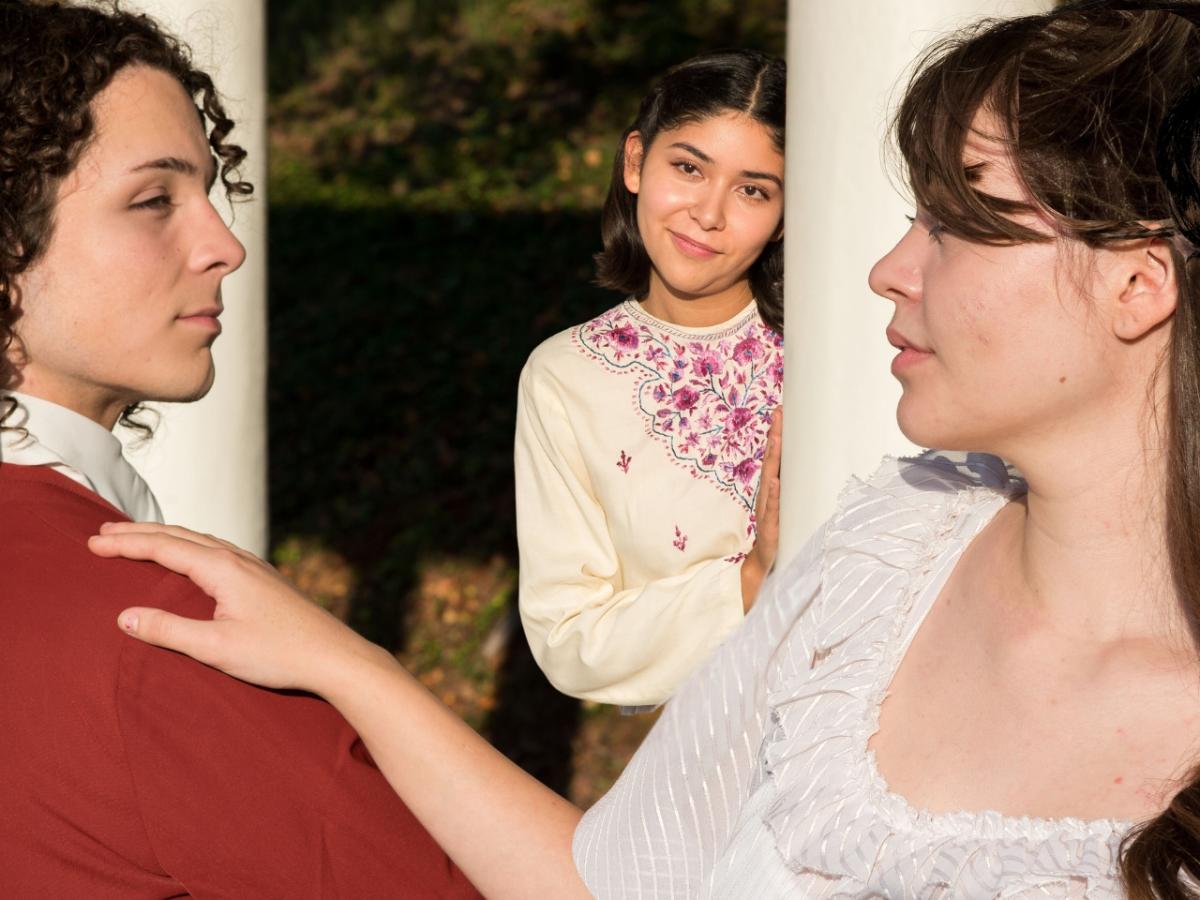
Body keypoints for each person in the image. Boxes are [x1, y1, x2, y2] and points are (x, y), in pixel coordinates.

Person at [87, 2, 1200, 897]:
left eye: (958, 221)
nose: (888, 268)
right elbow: (607, 878)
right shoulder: (890, 545)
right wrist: (343, 661)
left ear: (1139, 284)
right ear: (633, 163)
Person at [0, 2, 480, 896]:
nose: (224, 247)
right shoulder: (153, 630)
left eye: (210, 195)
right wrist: (358, 667)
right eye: (152, 201)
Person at [515, 49, 786, 708]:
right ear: (636, 161)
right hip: (709, 772)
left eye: (753, 189)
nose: (709, 214)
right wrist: (748, 584)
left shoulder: (841, 349)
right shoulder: (566, 377)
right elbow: (568, 637)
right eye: (689, 169)